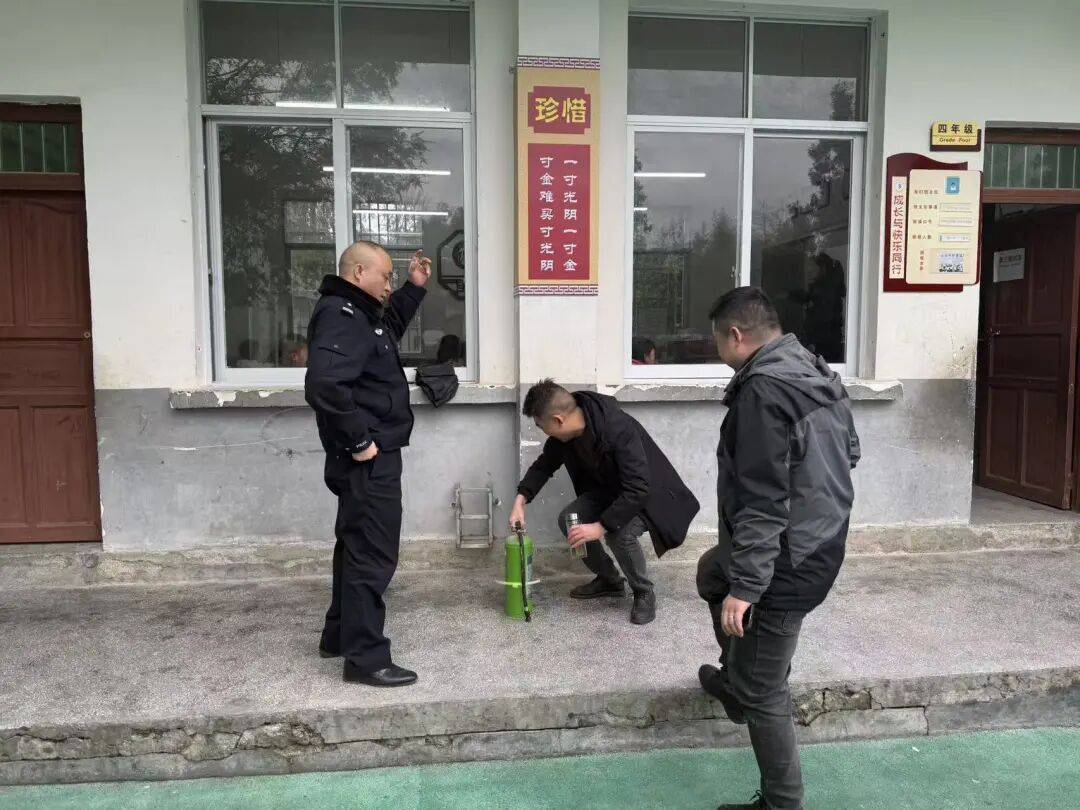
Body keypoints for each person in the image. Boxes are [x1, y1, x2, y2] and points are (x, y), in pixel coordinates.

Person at [696, 287, 860, 810]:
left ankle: (781, 802)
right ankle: (737, 679)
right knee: (711, 573)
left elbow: (763, 499)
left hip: (790, 560)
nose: (717, 351)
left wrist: (748, 587)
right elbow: (850, 452)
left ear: (735, 335)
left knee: (766, 691)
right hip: (822, 538)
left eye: (717, 340)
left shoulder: (763, 393)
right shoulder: (813, 370)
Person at [304, 241, 431, 687]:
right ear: (359, 272)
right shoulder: (342, 314)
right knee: (372, 554)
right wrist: (360, 442)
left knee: (355, 545)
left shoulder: (359, 313)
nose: (389, 285)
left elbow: (386, 331)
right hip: (368, 457)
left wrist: (415, 288)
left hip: (369, 454)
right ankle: (366, 659)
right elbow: (325, 385)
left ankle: (339, 636)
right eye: (386, 276)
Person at [509, 380, 699, 625]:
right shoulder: (563, 437)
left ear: (558, 420)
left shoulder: (617, 428)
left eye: (541, 426)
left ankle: (643, 591)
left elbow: (638, 488)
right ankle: (609, 579)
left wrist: (600, 527)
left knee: (619, 534)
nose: (543, 431)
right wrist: (520, 501)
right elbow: (544, 466)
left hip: (646, 495)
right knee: (570, 520)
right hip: (609, 491)